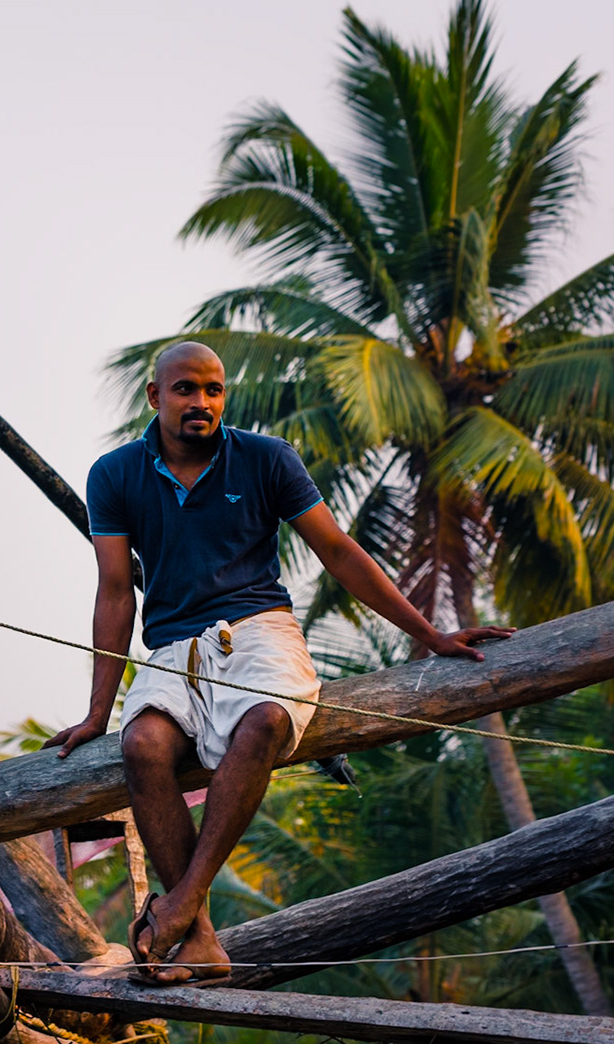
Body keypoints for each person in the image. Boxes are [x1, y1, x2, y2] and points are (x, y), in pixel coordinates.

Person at [43, 342, 512, 984]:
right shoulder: (115, 474)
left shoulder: (267, 458)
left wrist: (430, 635)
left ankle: (179, 904)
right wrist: (99, 711)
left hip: (260, 628)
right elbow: (116, 590)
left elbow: (339, 551)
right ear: (155, 397)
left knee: (264, 721)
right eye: (185, 389)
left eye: (213, 390)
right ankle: (201, 938)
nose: (200, 402)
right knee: (143, 744)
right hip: (173, 645)